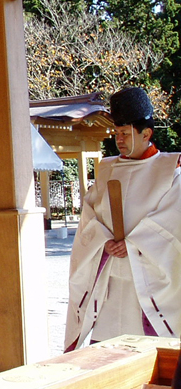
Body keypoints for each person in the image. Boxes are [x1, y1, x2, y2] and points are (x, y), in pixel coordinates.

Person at [65, 86, 181, 351]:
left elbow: (172, 221)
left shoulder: (169, 171)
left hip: (148, 278)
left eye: (126, 133)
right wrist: (103, 241)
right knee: (105, 351)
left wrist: (132, 244)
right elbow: (89, 216)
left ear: (146, 133)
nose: (119, 139)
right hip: (110, 277)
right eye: (117, 133)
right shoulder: (106, 169)